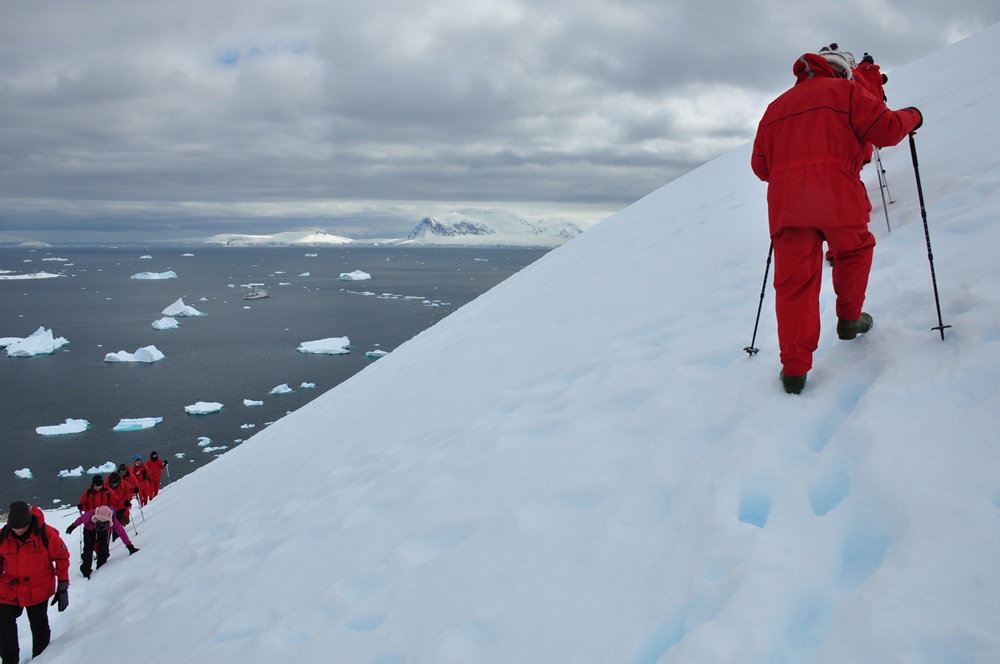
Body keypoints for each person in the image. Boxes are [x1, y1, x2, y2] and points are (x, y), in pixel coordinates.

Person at [751, 44, 922, 394]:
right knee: (854, 250)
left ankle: (795, 370)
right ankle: (848, 318)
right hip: (838, 194)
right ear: (842, 71)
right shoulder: (846, 91)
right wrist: (913, 116)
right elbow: (887, 130)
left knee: (794, 284)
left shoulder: (775, 107)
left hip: (788, 206)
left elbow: (760, 167)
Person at [0, 502, 70, 664]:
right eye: (14, 527)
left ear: (29, 521)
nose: (17, 531)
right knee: (3, 621)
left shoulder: (46, 534)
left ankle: (40, 658)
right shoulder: (3, 535)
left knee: (39, 624)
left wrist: (63, 586)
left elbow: (61, 558)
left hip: (38, 587)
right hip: (10, 587)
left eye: (20, 528)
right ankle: (9, 661)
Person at [66, 506, 138, 579]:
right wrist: (72, 526)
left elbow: (122, 533)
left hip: (104, 533)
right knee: (88, 551)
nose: (100, 522)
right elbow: (81, 519)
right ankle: (85, 571)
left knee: (104, 552)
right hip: (89, 531)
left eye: (104, 521)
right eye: (98, 520)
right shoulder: (90, 514)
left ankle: (101, 569)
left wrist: (130, 546)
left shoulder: (113, 520)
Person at [105, 471, 133, 539]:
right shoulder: (105, 486)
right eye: (112, 483)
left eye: (115, 483)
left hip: (121, 506)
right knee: (108, 525)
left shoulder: (124, 484)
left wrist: (127, 501)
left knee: (117, 523)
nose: (114, 484)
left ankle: (116, 539)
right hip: (109, 508)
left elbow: (130, 492)